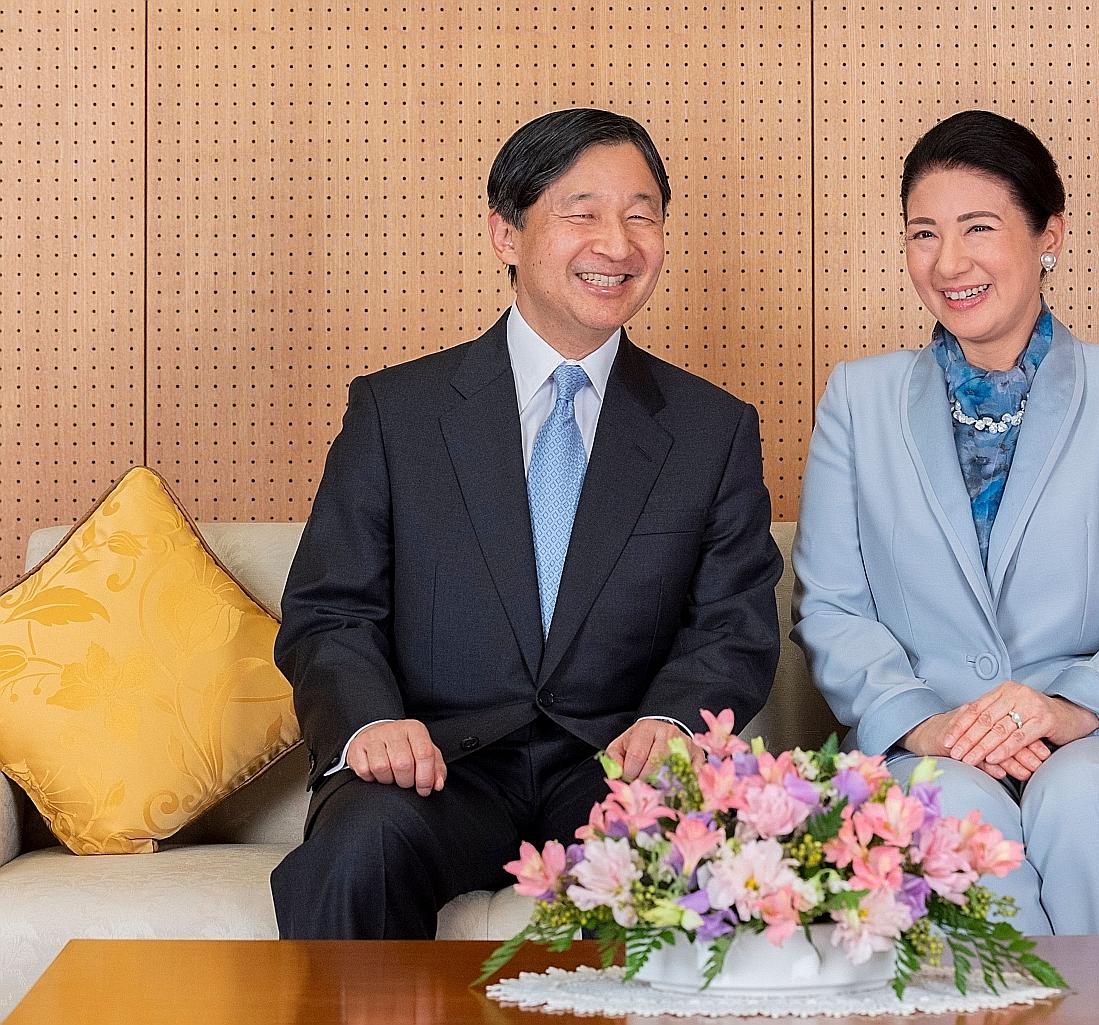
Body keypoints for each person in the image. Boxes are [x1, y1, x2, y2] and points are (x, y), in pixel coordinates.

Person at [271, 108, 782, 940]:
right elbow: (331, 609)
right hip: (440, 768)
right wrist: (370, 724)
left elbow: (734, 622)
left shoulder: (711, 429)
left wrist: (675, 721)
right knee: (359, 846)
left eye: (641, 215)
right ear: (506, 233)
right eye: (582, 213)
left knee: (717, 856)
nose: (617, 243)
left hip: (617, 771)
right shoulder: (397, 413)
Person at [791, 109, 1099, 936]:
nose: (948, 262)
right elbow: (833, 610)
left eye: (978, 228)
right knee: (952, 812)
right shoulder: (858, 399)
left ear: (1047, 233)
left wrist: (1063, 709)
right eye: (923, 233)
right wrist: (930, 721)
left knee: (1083, 797)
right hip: (926, 746)